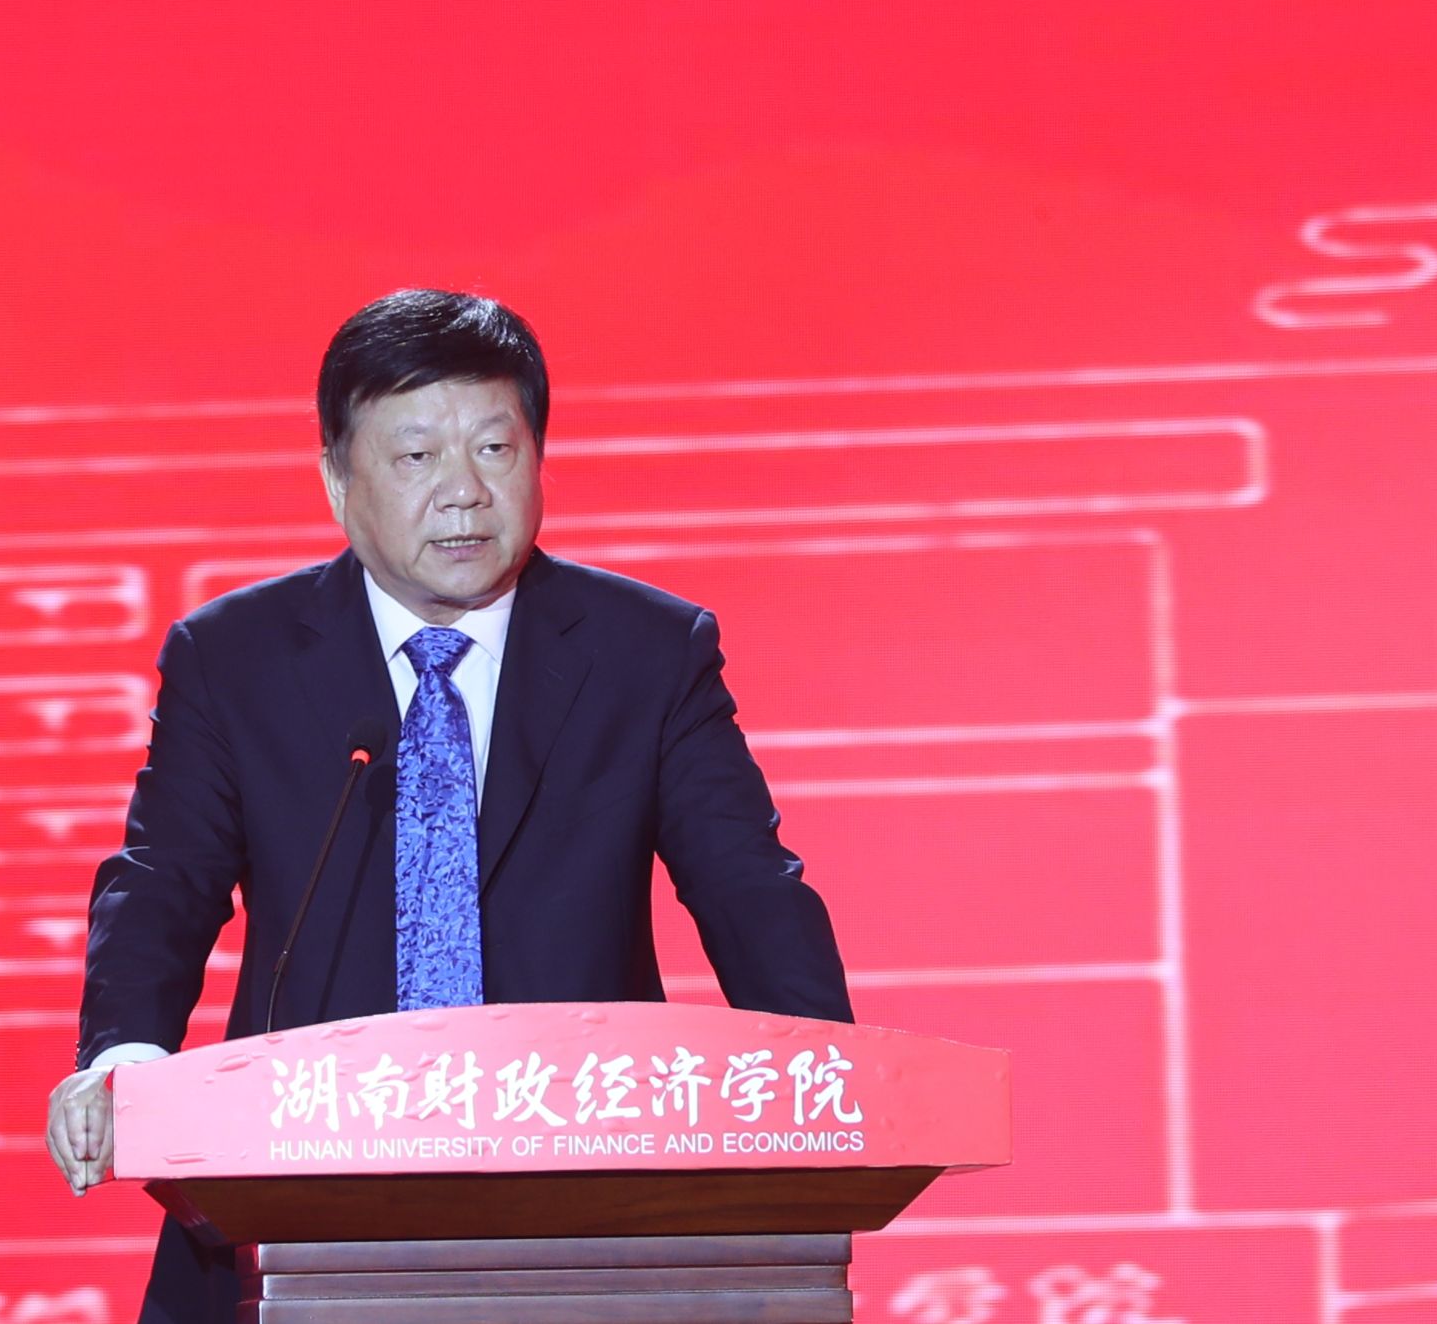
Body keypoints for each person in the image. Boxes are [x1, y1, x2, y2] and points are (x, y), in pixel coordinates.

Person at [45, 288, 854, 1323]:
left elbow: (747, 885)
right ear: (337, 480)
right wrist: (126, 1053)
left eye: (494, 449)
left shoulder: (646, 653)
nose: (463, 493)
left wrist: (829, 1074)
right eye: (417, 456)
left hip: (588, 1203)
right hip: (297, 1189)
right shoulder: (235, 659)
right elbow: (163, 880)